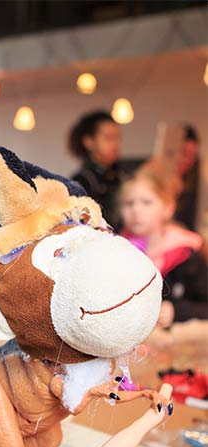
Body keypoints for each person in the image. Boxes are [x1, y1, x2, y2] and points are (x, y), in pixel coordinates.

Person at [119, 164, 207, 325]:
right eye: (129, 203)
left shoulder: (186, 255)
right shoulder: (117, 251)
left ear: (168, 208)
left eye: (146, 202)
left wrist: (177, 311)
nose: (136, 210)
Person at [68, 110, 122, 227]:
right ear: (88, 142)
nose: (115, 144)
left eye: (117, 138)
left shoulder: (119, 175)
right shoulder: (81, 181)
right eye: (108, 138)